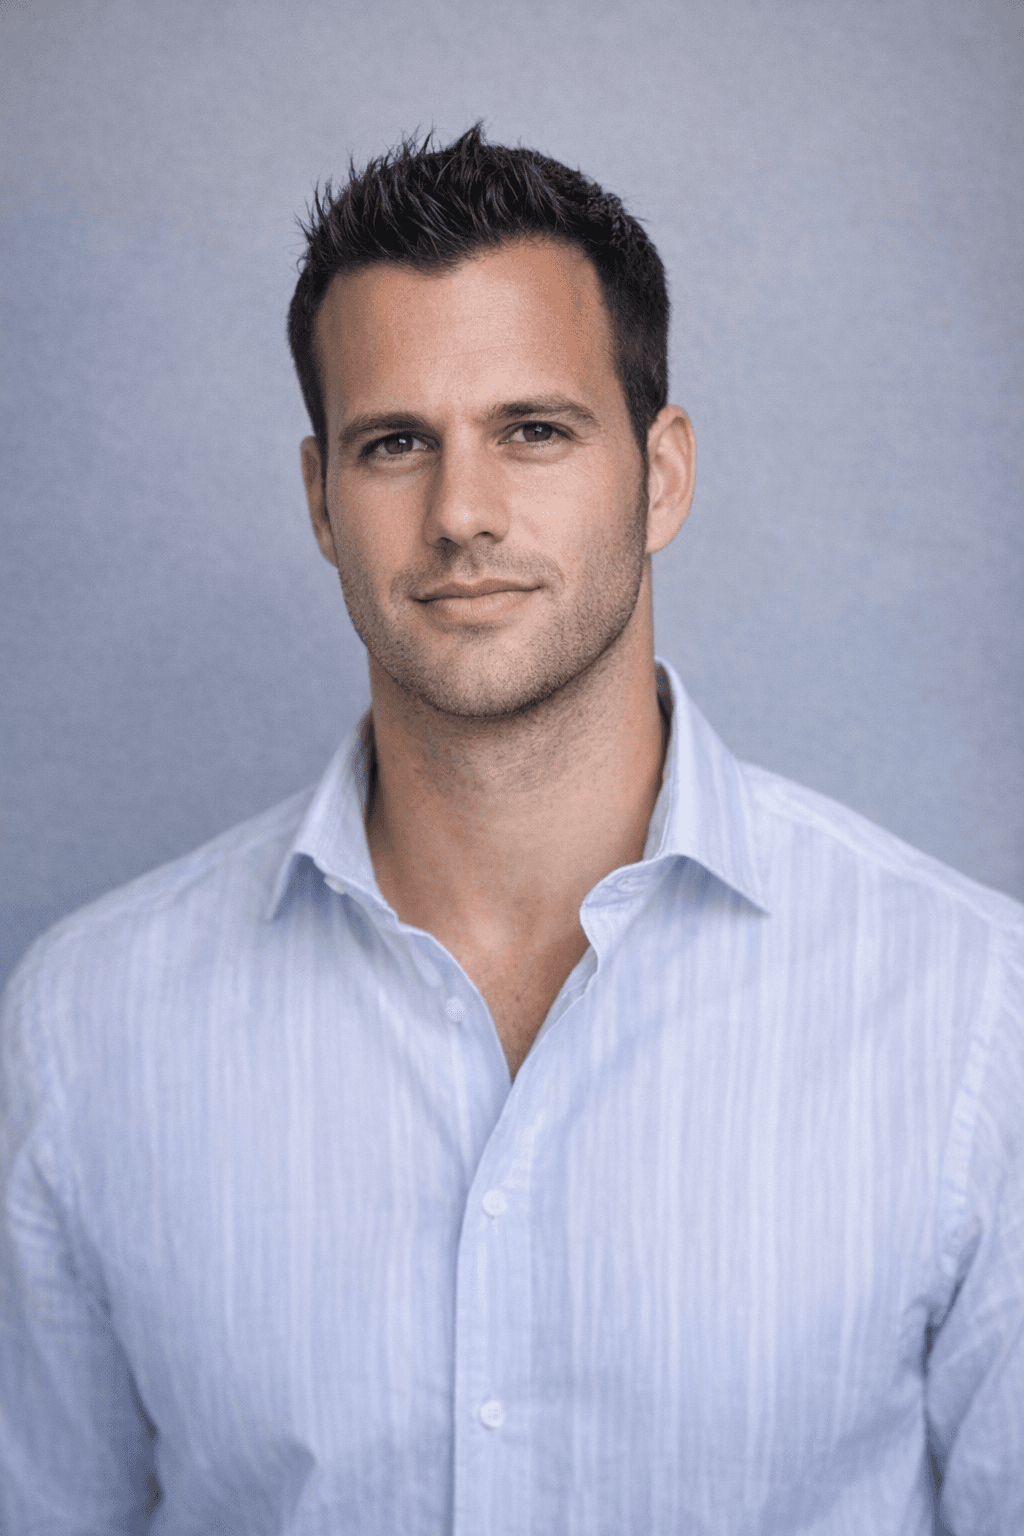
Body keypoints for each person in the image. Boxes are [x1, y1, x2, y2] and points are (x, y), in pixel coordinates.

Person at [0, 123, 1021, 1536]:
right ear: (320, 501)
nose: (461, 512)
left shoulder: (976, 1011)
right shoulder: (82, 1030)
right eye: (394, 443)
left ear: (661, 475)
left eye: (534, 431)